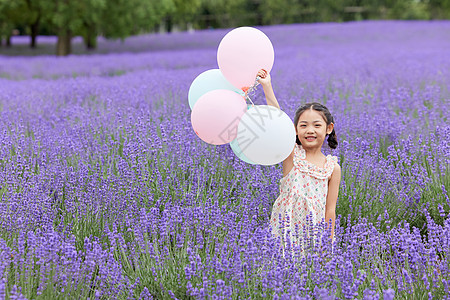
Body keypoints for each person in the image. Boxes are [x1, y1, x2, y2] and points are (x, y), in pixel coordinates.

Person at [256, 69, 341, 256]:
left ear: (328, 129)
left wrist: (328, 244)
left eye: (317, 125)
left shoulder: (332, 168)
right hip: (285, 230)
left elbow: (330, 210)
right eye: (303, 125)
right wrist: (267, 86)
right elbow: (277, 123)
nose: (310, 130)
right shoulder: (292, 155)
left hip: (314, 233)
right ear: (295, 130)